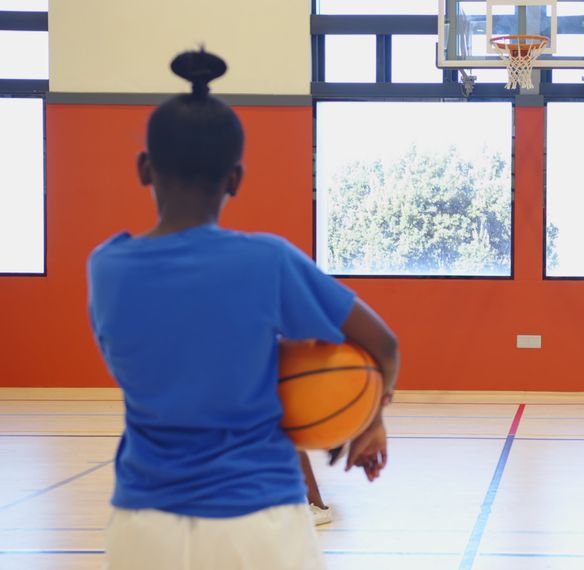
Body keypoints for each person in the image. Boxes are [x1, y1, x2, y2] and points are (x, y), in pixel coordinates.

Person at [87, 48, 399, 570]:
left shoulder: (107, 266)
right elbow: (383, 343)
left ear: (145, 169)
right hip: (259, 521)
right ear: (235, 179)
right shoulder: (268, 261)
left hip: (143, 524)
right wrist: (371, 419)